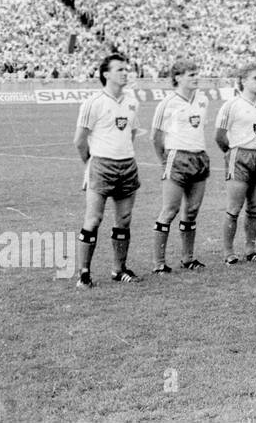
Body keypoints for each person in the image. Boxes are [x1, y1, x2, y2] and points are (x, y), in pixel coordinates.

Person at [73, 52, 141, 287]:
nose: (125, 73)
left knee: (124, 219)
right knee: (94, 219)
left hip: (127, 165)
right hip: (101, 165)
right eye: (120, 69)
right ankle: (84, 273)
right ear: (106, 74)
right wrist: (90, 164)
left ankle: (118, 269)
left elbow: (131, 133)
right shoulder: (94, 102)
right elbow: (80, 140)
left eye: (126, 69)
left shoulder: (132, 101)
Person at [150, 59, 211, 273]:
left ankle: (188, 258)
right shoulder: (167, 103)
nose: (196, 77)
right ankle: (159, 263)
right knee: (170, 210)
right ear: (177, 77)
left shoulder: (203, 100)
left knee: (192, 211)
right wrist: (164, 162)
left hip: (199, 158)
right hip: (176, 158)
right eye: (191, 74)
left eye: (197, 73)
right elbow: (156, 137)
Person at [216, 62, 256, 263]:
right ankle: (228, 252)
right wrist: (234, 154)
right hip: (239, 157)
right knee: (234, 208)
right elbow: (220, 137)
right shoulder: (231, 105)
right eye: (255, 78)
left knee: (254, 208)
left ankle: (250, 249)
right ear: (243, 81)